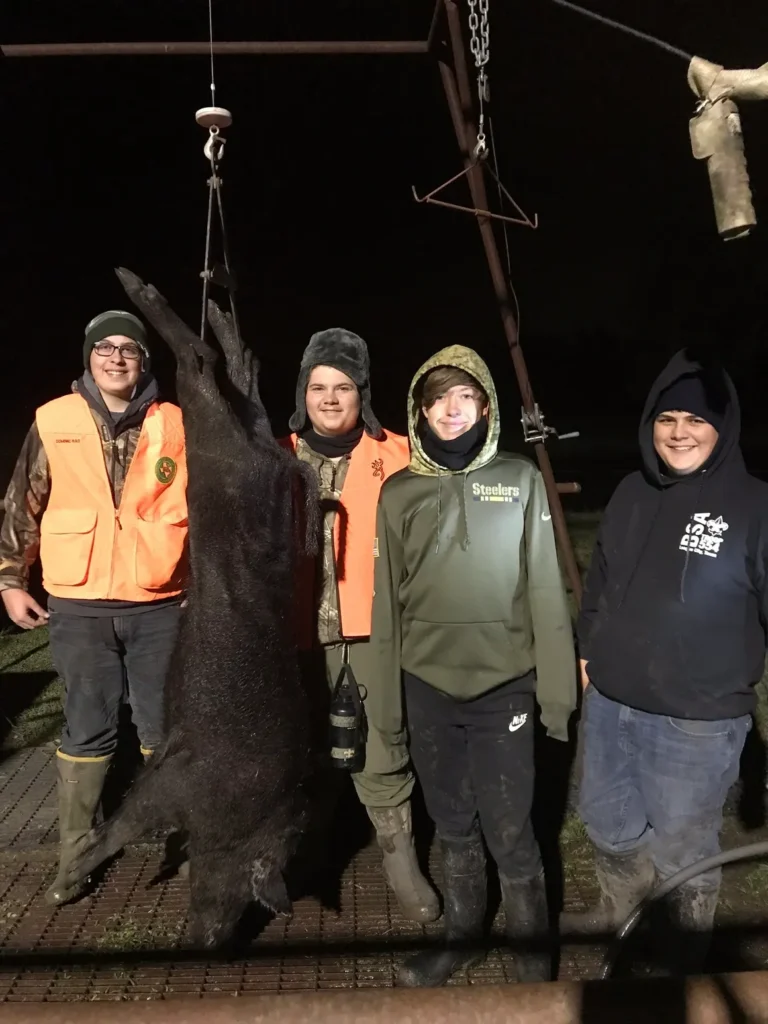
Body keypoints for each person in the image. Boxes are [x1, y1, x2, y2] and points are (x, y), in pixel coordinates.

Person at [371, 344, 577, 986]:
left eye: (464, 398)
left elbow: (545, 587)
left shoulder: (519, 480)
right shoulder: (399, 491)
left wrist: (558, 695)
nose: (450, 411)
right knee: (452, 823)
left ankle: (532, 958)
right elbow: (386, 604)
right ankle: (462, 937)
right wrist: (385, 705)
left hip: (504, 690)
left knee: (511, 828)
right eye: (437, 401)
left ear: (485, 405)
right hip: (427, 687)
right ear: (419, 412)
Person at [569, 348, 768, 974]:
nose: (678, 433)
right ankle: (619, 913)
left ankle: (680, 961)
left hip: (696, 721)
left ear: (722, 428)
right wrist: (586, 650)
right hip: (612, 701)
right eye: (666, 418)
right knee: (605, 822)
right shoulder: (631, 491)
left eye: (694, 421)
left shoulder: (756, 505)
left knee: (685, 850)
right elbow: (600, 582)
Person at [0, 310, 188, 906]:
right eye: (103, 348)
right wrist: (10, 579)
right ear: (88, 356)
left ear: (143, 363)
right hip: (79, 605)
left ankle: (184, 846)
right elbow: (20, 504)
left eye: (128, 350)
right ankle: (76, 858)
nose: (114, 357)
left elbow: (206, 508)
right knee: (87, 729)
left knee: (166, 729)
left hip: (160, 603)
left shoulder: (177, 423)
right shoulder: (54, 420)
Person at [281, 328, 439, 923]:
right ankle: (313, 850)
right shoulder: (275, 454)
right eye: (318, 385)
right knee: (302, 747)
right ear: (303, 391)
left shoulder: (402, 456)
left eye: (342, 386)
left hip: (376, 628)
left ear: (362, 392)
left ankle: (400, 860)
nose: (328, 397)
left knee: (381, 745)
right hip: (295, 631)